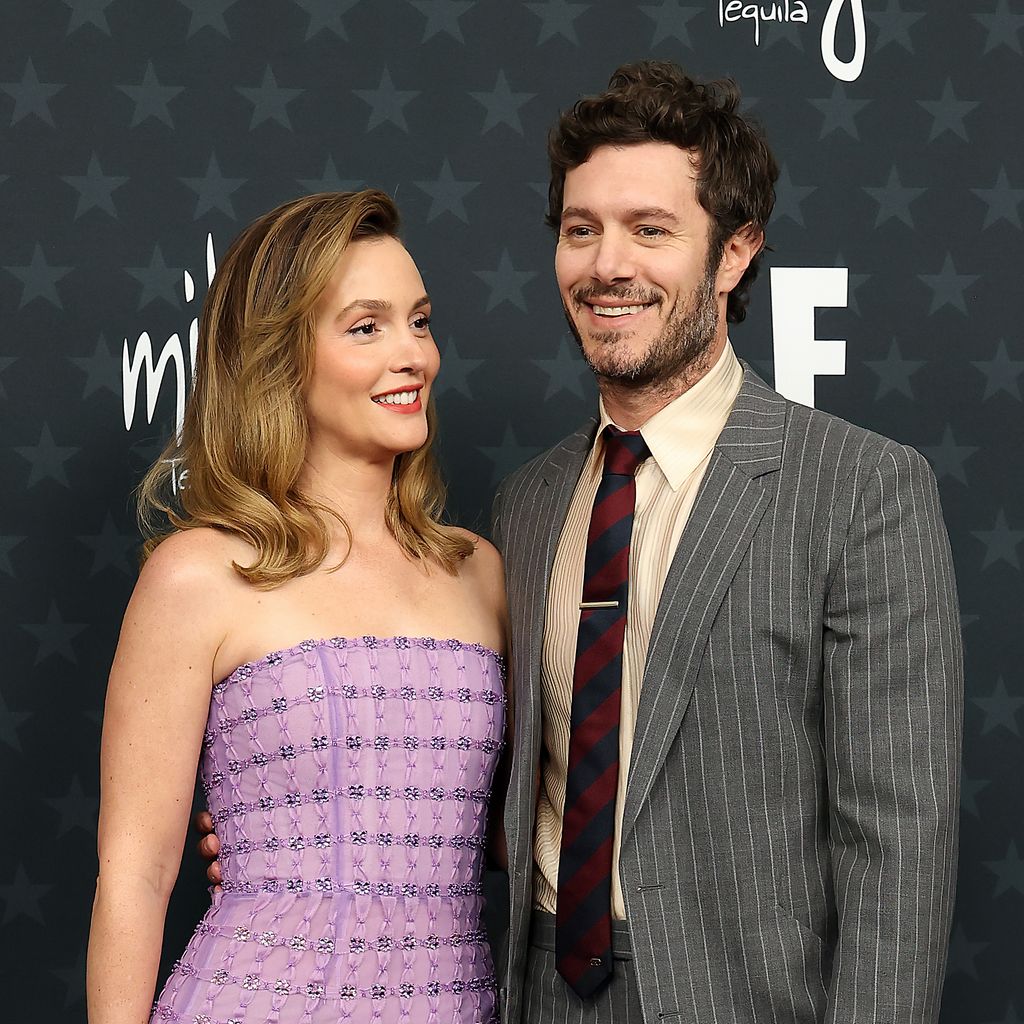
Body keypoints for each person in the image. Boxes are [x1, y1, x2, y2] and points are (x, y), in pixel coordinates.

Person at [491, 61, 963, 1023]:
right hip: (540, 991)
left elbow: (900, 847)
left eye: (650, 230)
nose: (606, 265)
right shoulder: (528, 503)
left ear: (735, 252)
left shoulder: (861, 489)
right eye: (581, 229)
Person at [87, 190, 508, 1024]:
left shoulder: (479, 572)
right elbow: (135, 877)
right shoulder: (199, 575)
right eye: (366, 327)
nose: (413, 355)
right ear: (281, 358)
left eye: (420, 322)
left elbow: (506, 827)